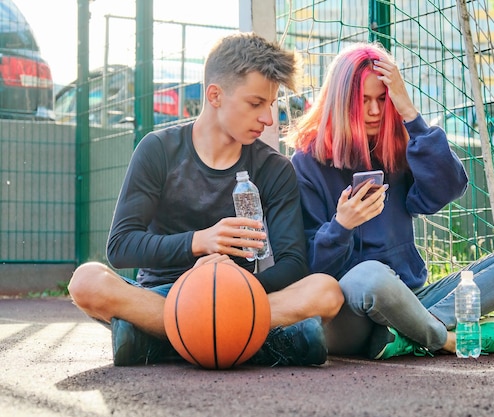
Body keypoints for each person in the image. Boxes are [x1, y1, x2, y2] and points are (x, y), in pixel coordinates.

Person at [68, 32, 344, 367]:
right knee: (86, 282)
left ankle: (160, 340)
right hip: (163, 294)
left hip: (243, 296)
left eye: (270, 104)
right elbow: (122, 247)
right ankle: (251, 341)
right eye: (256, 103)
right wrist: (200, 242)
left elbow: (292, 264)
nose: (268, 118)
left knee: (327, 291)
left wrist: (231, 283)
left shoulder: (275, 169)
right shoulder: (158, 149)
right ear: (215, 95)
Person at [285, 42, 494, 359]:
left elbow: (449, 188)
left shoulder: (397, 145)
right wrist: (342, 226)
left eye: (383, 99)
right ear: (341, 103)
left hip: (411, 297)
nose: (375, 111)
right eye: (363, 101)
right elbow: (309, 269)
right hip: (350, 309)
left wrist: (410, 113)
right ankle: (443, 338)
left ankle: (408, 334)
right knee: (371, 274)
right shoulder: (306, 162)